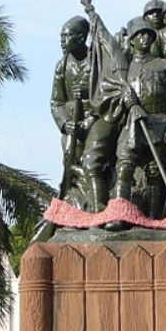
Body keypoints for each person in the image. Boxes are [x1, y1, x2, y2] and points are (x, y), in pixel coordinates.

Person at [106, 17, 166, 226]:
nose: (145, 37)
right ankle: (120, 215)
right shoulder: (124, 69)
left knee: (155, 173)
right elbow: (112, 97)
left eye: (148, 34)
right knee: (124, 167)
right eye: (139, 34)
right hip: (132, 125)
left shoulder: (164, 65)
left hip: (159, 123)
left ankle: (153, 219)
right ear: (131, 40)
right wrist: (126, 101)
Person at [50, 16, 117, 211]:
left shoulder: (99, 61)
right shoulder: (61, 65)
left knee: (91, 162)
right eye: (61, 36)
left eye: (67, 35)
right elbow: (56, 102)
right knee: (70, 162)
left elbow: (111, 93)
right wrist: (64, 124)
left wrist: (92, 107)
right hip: (73, 123)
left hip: (100, 119)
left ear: (81, 38)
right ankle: (78, 204)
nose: (62, 40)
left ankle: (100, 210)